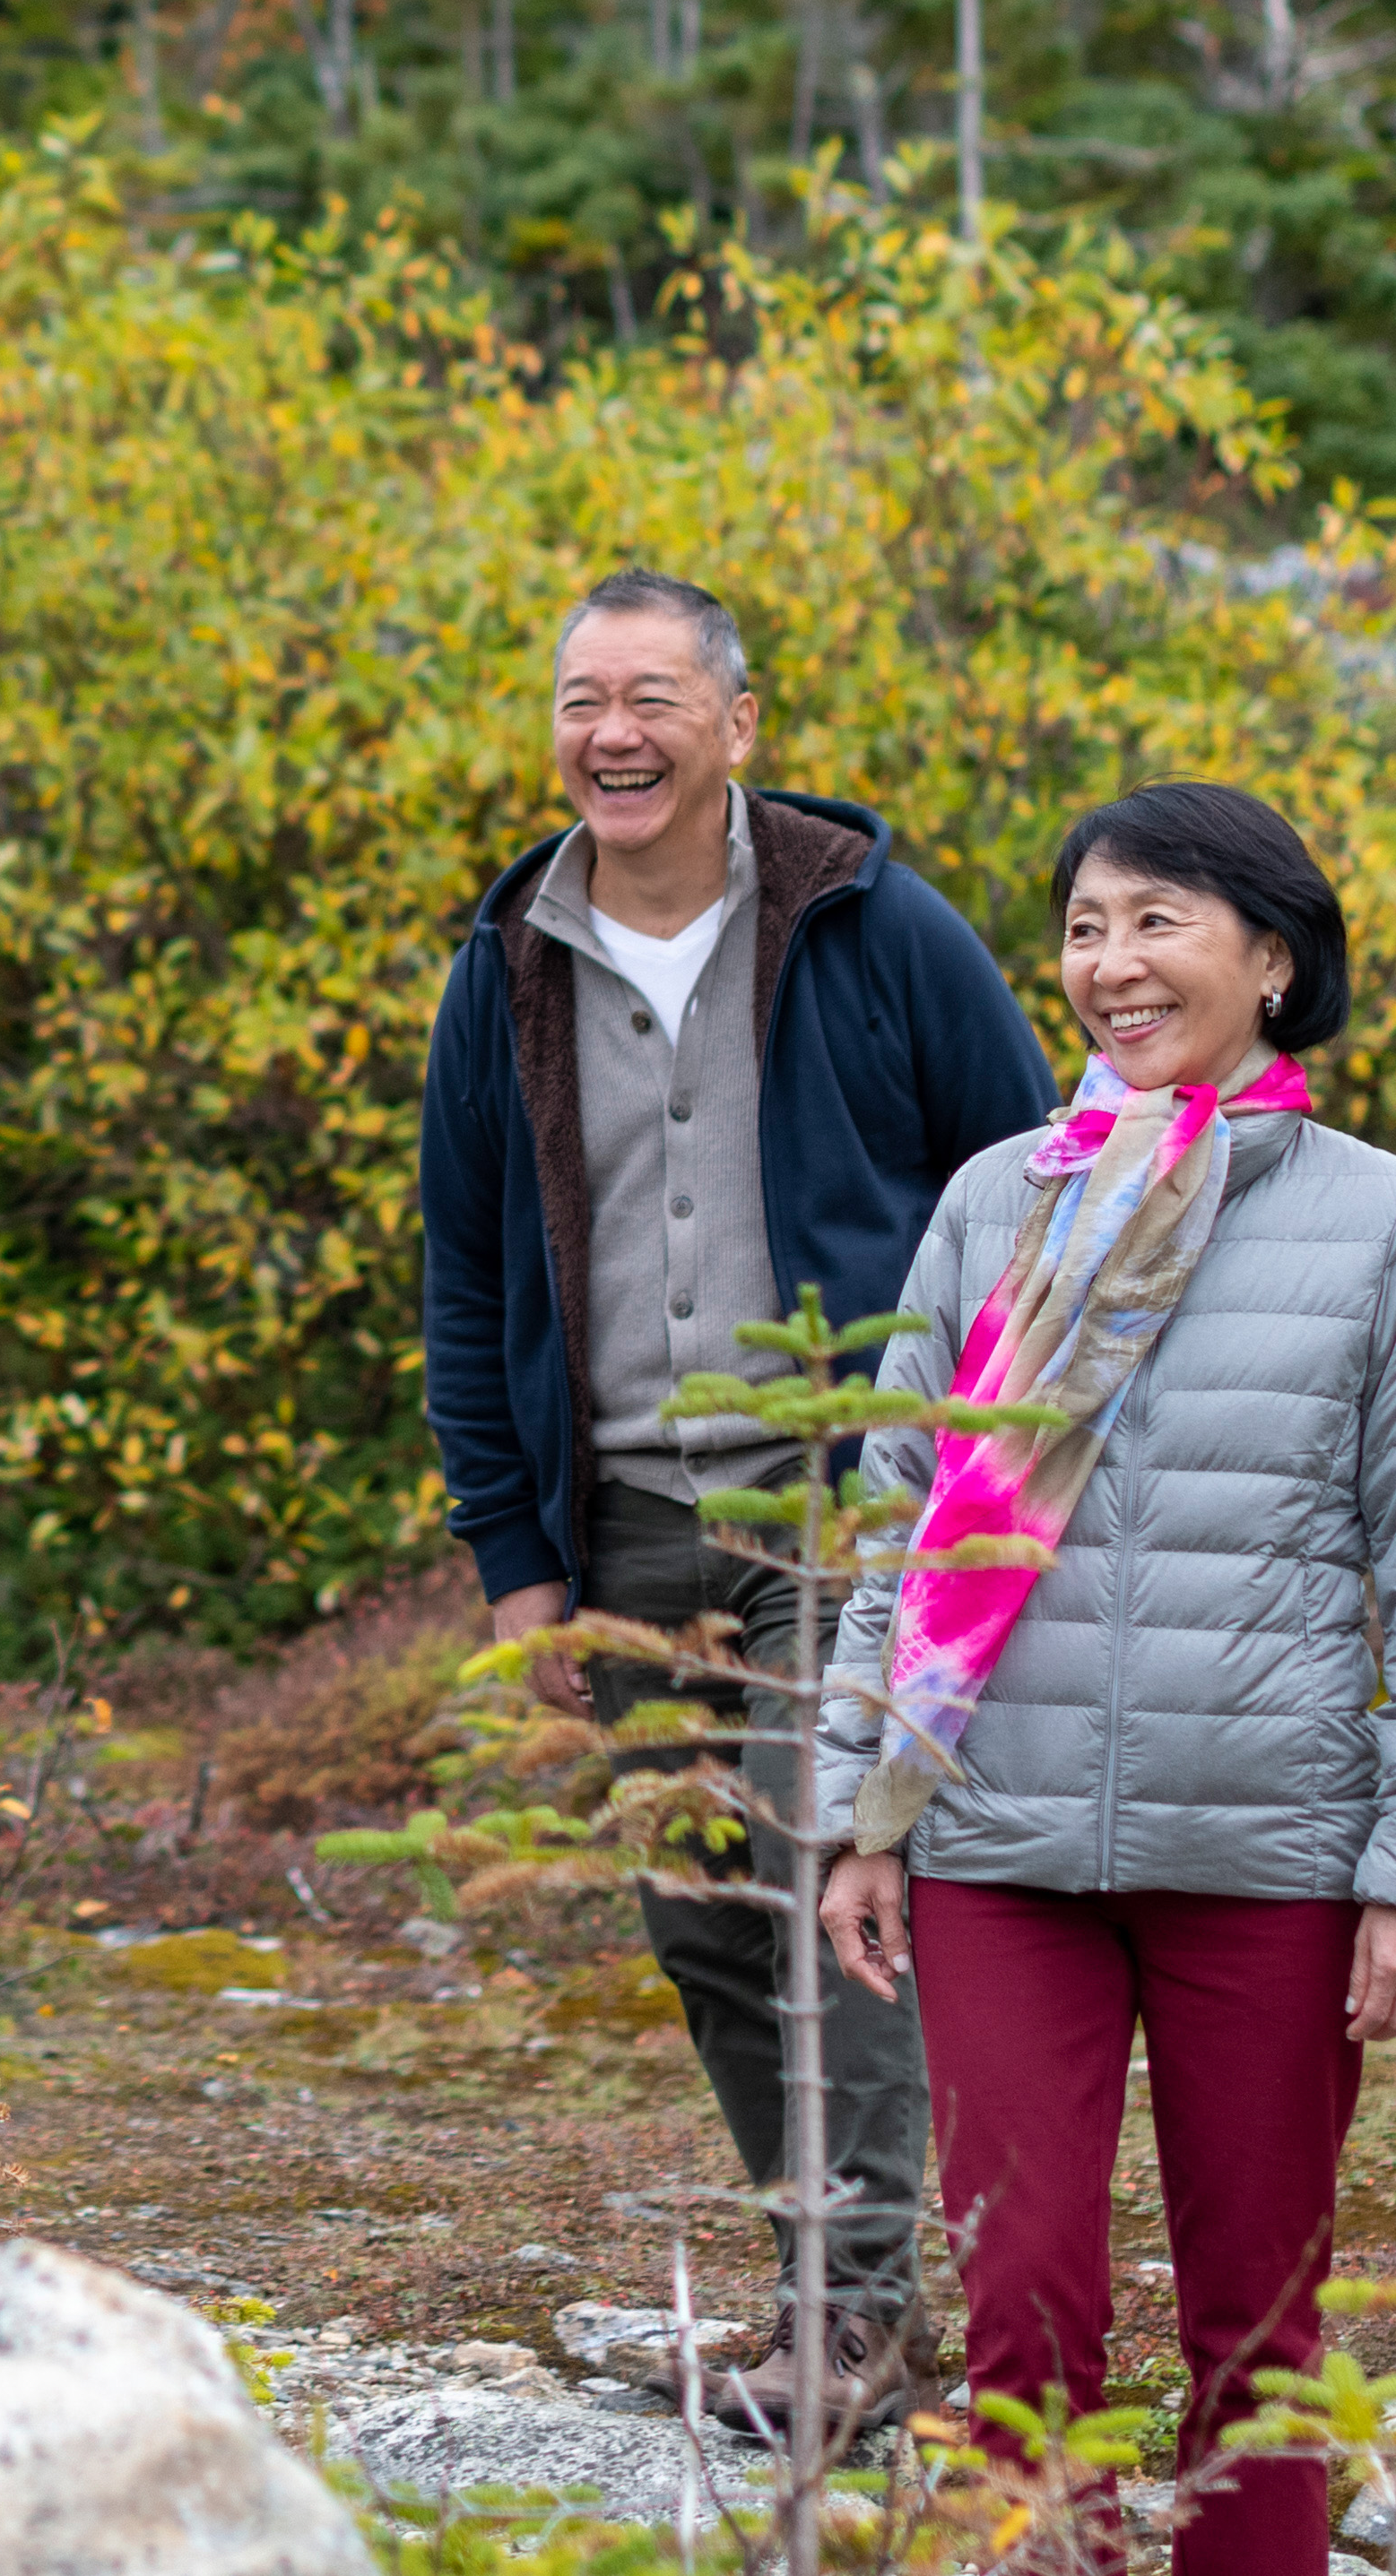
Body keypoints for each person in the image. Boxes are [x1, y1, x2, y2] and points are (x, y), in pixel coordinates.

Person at [810, 782, 1396, 2576]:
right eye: (1085, 927)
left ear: (1273, 956)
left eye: (1156, 924)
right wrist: (854, 1815)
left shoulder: (1390, 1227)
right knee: (1020, 2295)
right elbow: (903, 1521)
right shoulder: (996, 1201)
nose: (1108, 967)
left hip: (1269, 1858)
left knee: (1256, 2328)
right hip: (992, 1838)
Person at [413, 569, 1050, 2432]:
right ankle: (812, 2284)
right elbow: (465, 1271)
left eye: (651, 699)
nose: (609, 734)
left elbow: (1019, 1189)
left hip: (842, 1510)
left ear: (734, 728)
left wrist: (973, 1486)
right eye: (577, 700)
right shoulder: (506, 964)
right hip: (618, 1517)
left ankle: (852, 2320)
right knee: (698, 1915)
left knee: (808, 1874)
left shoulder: (874, 928)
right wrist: (515, 1561)